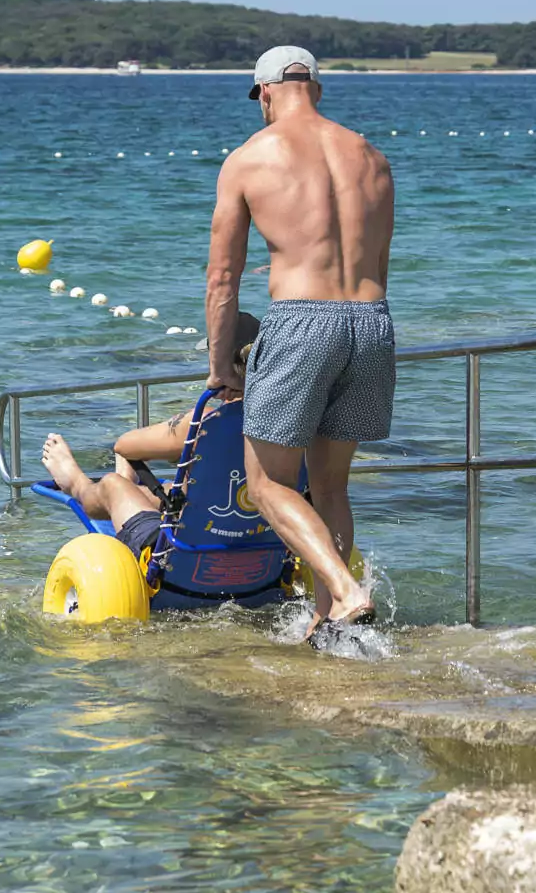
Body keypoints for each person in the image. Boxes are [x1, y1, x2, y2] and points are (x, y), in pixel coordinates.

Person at [206, 45, 396, 648]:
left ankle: (345, 591)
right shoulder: (371, 155)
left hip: (299, 322)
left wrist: (221, 368)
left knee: (266, 485)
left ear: (264, 92)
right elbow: (380, 259)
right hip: (372, 322)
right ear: (316, 87)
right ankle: (328, 623)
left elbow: (223, 280)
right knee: (331, 485)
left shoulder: (248, 158)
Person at [39, 312, 262, 561]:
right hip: (262, 557)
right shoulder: (292, 420)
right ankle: (127, 492)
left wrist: (176, 445)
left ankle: (77, 484)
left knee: (112, 484)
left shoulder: (203, 423)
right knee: (175, 490)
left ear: (217, 365)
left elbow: (124, 446)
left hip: (181, 560)